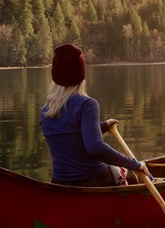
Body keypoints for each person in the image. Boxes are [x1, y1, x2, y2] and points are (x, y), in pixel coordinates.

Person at [40, 43, 150, 187]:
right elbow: (95, 147)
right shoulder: (87, 104)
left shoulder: (46, 111)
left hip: (60, 183)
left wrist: (104, 125)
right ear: (81, 74)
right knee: (130, 174)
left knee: (121, 168)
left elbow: (72, 133)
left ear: (55, 76)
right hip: (94, 180)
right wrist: (134, 165)